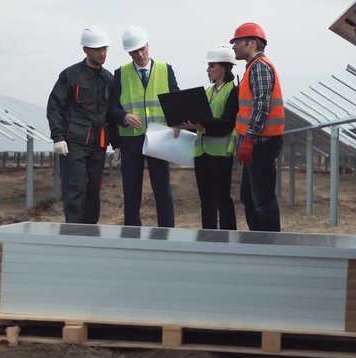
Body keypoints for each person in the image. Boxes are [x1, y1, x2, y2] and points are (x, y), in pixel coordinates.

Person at [109, 25, 180, 227]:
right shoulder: (120, 74)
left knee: (162, 189)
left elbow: (176, 101)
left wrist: (177, 123)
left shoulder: (166, 70)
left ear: (148, 45)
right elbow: (112, 109)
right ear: (128, 52)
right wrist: (124, 116)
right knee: (131, 190)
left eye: (142, 49)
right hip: (131, 139)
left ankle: (167, 231)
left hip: (159, 138)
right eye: (134, 51)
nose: (140, 54)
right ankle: (132, 233)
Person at [46, 25, 116, 224]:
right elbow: (54, 107)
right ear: (85, 50)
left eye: (105, 49)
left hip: (99, 146)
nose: (102, 53)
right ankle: (74, 236)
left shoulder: (109, 79)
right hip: (74, 144)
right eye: (97, 49)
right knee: (76, 190)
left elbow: (111, 114)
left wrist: (117, 143)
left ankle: (90, 235)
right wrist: (58, 137)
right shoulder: (70, 75)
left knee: (94, 191)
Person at [230, 22, 285, 232]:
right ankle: (257, 243)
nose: (233, 46)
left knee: (262, 200)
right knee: (250, 198)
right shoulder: (252, 67)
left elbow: (261, 105)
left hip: (262, 143)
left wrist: (249, 138)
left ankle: (270, 247)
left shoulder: (260, 66)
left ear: (252, 43)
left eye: (237, 42)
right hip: (255, 142)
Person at [182, 45, 238, 230]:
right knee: (205, 199)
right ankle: (208, 237)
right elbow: (201, 118)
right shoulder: (206, 93)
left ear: (224, 67)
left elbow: (229, 123)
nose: (208, 70)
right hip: (202, 152)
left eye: (211, 66)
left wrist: (204, 128)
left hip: (220, 152)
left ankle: (228, 237)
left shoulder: (233, 91)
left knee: (222, 197)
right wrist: (189, 125)